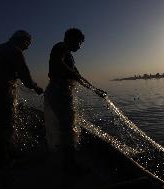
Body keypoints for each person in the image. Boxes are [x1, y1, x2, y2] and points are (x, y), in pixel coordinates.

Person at [0, 30, 43, 187]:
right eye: (28, 44)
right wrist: (36, 87)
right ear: (22, 40)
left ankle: (6, 155)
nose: (27, 47)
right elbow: (26, 77)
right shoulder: (16, 51)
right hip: (4, 89)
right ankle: (6, 161)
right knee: (6, 125)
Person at [44, 28, 106, 187]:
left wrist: (96, 90)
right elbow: (59, 65)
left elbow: (79, 78)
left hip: (63, 94)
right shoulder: (60, 47)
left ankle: (69, 163)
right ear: (70, 39)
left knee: (68, 127)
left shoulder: (69, 56)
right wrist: (74, 74)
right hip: (58, 93)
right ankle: (69, 166)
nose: (80, 46)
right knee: (66, 129)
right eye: (79, 42)